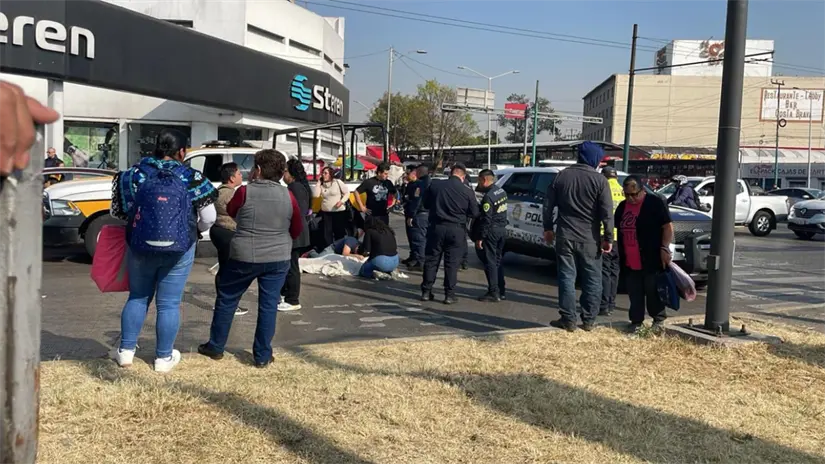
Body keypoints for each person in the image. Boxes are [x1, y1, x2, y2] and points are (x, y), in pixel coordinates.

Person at [110, 128, 218, 372]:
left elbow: (119, 212)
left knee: (137, 296)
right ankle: (163, 358)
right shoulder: (192, 176)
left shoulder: (131, 175)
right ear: (182, 152)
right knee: (169, 303)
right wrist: (193, 231)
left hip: (140, 247)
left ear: (155, 149)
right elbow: (209, 217)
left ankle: (126, 352)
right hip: (180, 248)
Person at [198, 149, 303, 368]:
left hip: (245, 254)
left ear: (257, 169)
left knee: (228, 298)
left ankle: (216, 346)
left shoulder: (245, 191)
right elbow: (296, 228)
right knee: (268, 305)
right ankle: (262, 355)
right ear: (281, 171)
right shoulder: (288, 195)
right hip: (278, 257)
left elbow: (233, 211)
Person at [543, 141, 613, 332]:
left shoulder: (562, 176)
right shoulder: (600, 181)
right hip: (590, 237)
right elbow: (607, 213)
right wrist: (608, 238)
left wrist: (548, 228)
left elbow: (547, 205)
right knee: (592, 279)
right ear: (594, 160)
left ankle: (568, 319)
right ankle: (589, 320)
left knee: (567, 277)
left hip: (565, 235)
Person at [615, 175, 674, 334]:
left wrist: (664, 248)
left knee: (652, 290)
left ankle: (658, 320)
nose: (631, 198)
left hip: (651, 257)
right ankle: (636, 321)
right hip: (630, 257)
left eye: (635, 194)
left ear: (642, 190)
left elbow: (667, 227)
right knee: (635, 292)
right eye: (627, 194)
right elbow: (616, 228)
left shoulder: (654, 203)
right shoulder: (622, 207)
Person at [421, 163, 479, 304]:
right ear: (463, 176)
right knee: (452, 263)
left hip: (436, 227)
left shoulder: (435, 185)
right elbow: (475, 213)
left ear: (450, 173)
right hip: (456, 229)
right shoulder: (467, 191)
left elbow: (426, 204)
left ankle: (426, 292)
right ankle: (449, 294)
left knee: (431, 260)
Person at [210, 162, 247, 316]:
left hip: (218, 230)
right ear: (232, 178)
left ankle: (222, 302)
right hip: (228, 232)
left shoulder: (219, 191)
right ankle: (228, 304)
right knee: (231, 271)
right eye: (239, 174)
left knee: (224, 269)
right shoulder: (230, 194)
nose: (241, 176)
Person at [470, 169, 508, 302]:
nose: (478, 184)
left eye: (479, 181)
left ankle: (493, 292)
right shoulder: (500, 191)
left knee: (490, 262)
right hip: (502, 230)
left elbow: (486, 219)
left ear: (484, 180)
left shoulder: (488, 197)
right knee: (498, 261)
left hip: (491, 232)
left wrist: (480, 237)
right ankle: (501, 290)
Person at [280, 158, 313, 312]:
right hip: (296, 232)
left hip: (295, 233)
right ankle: (286, 294)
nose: (283, 174)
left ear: (291, 174)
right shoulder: (297, 187)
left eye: (285, 171)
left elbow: (296, 212)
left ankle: (292, 299)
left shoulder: (295, 188)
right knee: (289, 265)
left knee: (292, 267)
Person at [600, 166, 624, 316]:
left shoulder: (602, 189)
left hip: (604, 236)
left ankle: (603, 305)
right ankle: (611, 303)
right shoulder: (623, 190)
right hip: (619, 237)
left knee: (604, 272)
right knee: (615, 272)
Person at [314, 166, 350, 247]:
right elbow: (316, 195)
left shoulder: (337, 182)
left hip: (338, 212)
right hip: (326, 212)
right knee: (327, 233)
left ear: (331, 174)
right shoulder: (322, 185)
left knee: (339, 232)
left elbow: (347, 193)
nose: (323, 175)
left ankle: (339, 248)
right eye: (322, 173)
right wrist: (319, 183)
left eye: (326, 173)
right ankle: (329, 249)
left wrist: (342, 201)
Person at [405, 165, 432, 271]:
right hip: (425, 213)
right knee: (417, 238)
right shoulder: (429, 182)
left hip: (420, 214)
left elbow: (417, 200)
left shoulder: (421, 184)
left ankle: (420, 262)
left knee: (418, 239)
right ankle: (416, 258)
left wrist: (411, 214)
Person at [354, 162, 397, 226]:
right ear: (379, 173)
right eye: (385, 174)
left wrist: (392, 205)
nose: (387, 175)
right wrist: (362, 207)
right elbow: (356, 192)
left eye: (387, 174)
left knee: (383, 234)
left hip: (384, 215)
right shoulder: (369, 182)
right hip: (371, 215)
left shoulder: (388, 183)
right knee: (371, 234)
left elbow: (394, 193)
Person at [402, 168, 419, 265]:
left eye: (408, 173)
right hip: (407, 212)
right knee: (410, 236)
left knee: (415, 237)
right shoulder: (409, 184)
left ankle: (416, 258)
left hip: (413, 214)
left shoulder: (417, 185)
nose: (406, 175)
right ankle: (412, 255)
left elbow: (415, 200)